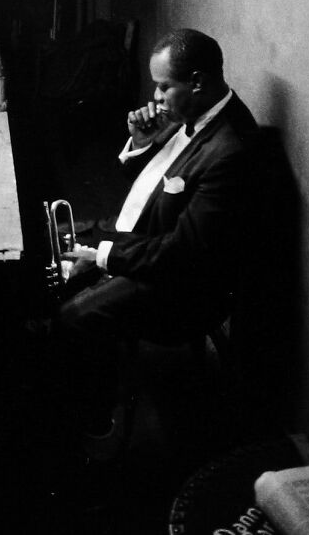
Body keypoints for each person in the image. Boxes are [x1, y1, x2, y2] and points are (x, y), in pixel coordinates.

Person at [56, 27, 258, 459]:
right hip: (152, 241)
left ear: (197, 81)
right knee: (60, 257)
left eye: (164, 86)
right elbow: (158, 184)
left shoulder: (229, 150)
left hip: (184, 289)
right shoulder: (197, 114)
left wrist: (104, 255)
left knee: (75, 317)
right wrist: (144, 142)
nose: (156, 96)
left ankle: (96, 427)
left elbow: (184, 255)